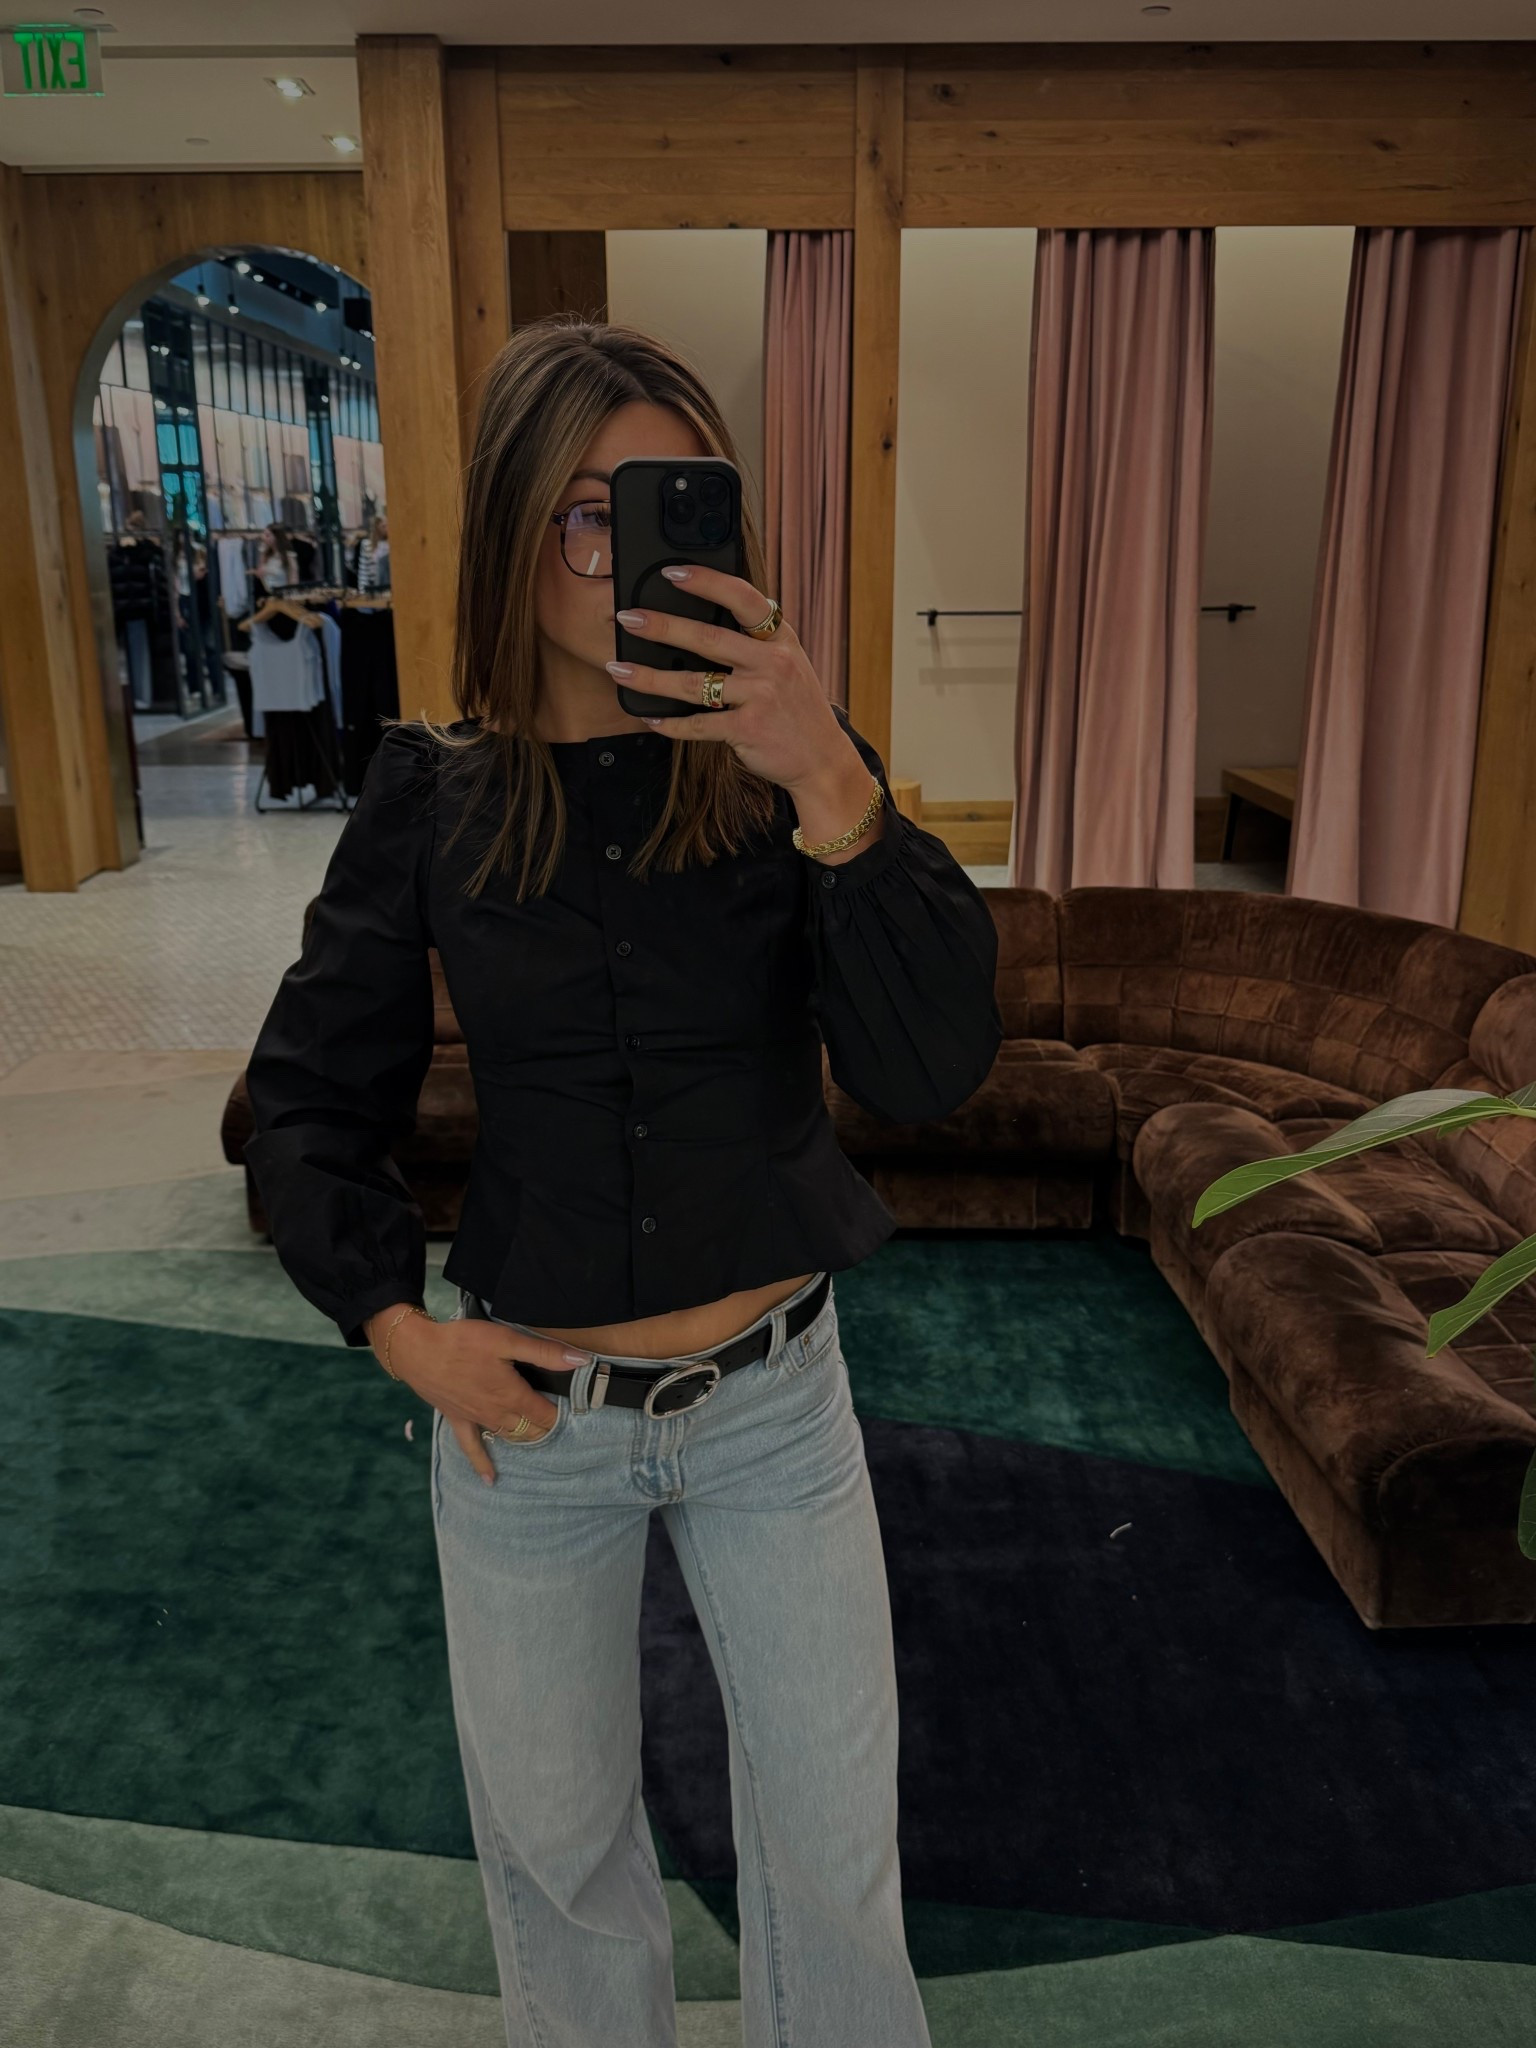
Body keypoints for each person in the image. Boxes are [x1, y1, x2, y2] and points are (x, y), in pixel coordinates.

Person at [241, 315, 1002, 2048]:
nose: (622, 553)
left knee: (835, 1859)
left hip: (776, 1407)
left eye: (663, 506)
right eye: (584, 513)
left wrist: (834, 782)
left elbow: (928, 1068)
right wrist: (398, 1330)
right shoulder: (431, 798)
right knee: (562, 1863)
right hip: (534, 1427)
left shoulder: (785, 769)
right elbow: (305, 1100)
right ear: (515, 531)